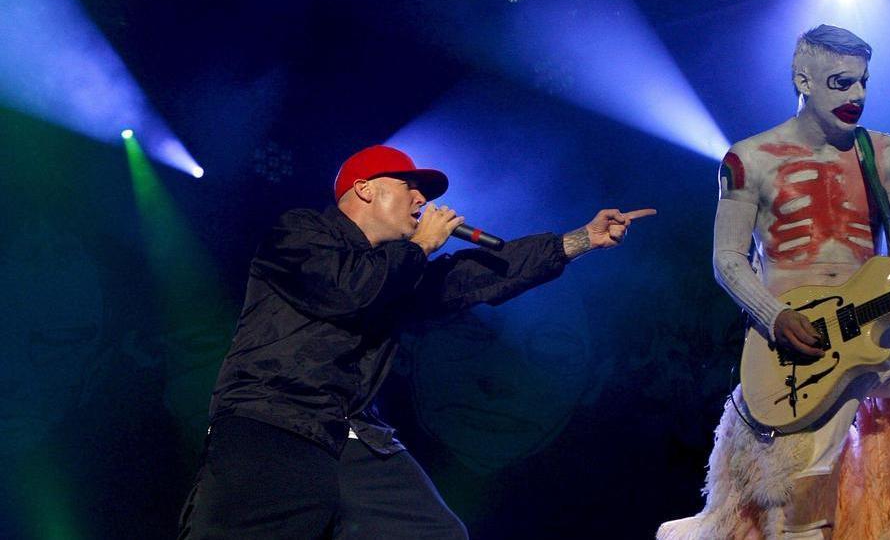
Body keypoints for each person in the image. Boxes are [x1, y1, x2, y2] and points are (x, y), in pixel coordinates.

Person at [659, 25, 890, 540]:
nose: (857, 96)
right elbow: (728, 259)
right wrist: (774, 316)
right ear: (804, 80)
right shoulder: (748, 159)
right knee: (799, 511)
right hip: (800, 353)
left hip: (878, 334)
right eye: (842, 83)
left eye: (863, 82)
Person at [177, 144, 654, 539]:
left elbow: (474, 277)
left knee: (436, 533)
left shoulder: (399, 270)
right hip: (274, 426)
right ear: (366, 189)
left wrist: (580, 240)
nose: (422, 202)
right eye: (412, 189)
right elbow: (348, 290)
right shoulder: (301, 233)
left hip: (351, 437)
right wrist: (419, 247)